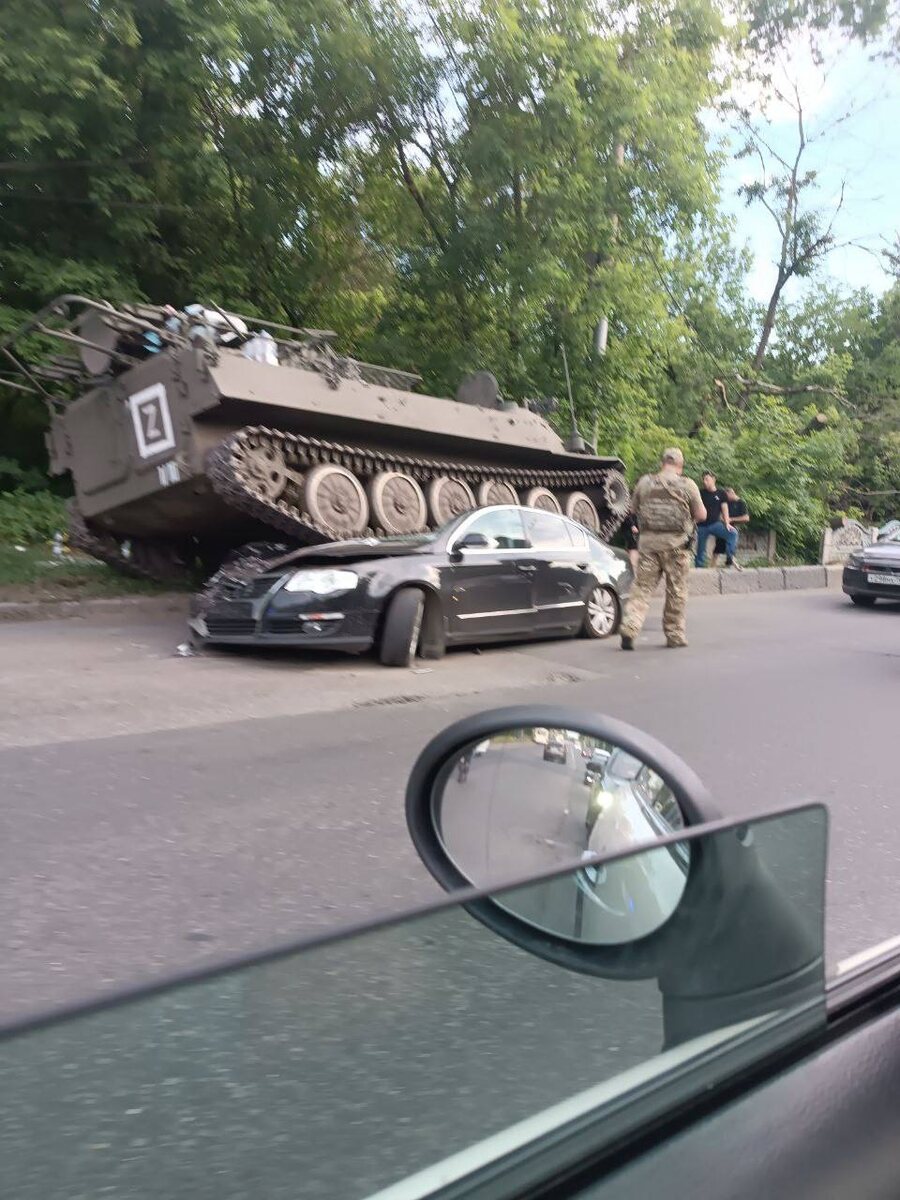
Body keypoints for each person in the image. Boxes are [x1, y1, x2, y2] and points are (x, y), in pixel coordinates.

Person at [619, 448, 706, 650]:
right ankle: (674, 635)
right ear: (680, 465)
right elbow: (701, 515)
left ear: (662, 463)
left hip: (649, 546)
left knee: (642, 589)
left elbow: (632, 510)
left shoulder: (644, 482)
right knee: (676, 592)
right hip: (677, 547)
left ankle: (630, 627)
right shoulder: (687, 485)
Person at [695, 470, 737, 568]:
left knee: (732, 533)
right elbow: (695, 507)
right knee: (700, 549)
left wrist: (727, 523)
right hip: (701, 525)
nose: (705, 482)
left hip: (715, 524)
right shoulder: (700, 493)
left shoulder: (721, 493)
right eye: (703, 480)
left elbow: (724, 509)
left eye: (707, 479)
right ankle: (699, 568)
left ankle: (730, 557)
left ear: (713, 479)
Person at [713, 486, 749, 567]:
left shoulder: (741, 503)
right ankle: (711, 568)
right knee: (717, 550)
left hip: (733, 528)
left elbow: (746, 518)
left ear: (731, 493)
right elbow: (720, 513)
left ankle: (730, 567)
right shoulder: (726, 502)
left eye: (726, 496)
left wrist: (730, 519)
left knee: (731, 550)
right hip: (723, 527)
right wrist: (721, 518)